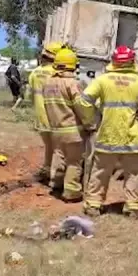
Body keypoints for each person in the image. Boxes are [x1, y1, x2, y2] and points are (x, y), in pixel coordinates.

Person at [76, 46, 138, 219]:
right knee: (134, 173)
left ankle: (94, 204)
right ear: (132, 61)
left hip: (107, 135)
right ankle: (132, 207)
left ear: (114, 61)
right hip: (132, 138)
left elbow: (84, 101)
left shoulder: (103, 80)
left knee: (101, 171)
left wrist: (92, 120)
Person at [41, 48, 94, 202]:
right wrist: (89, 124)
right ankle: (71, 192)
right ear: (72, 66)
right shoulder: (72, 84)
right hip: (73, 131)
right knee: (74, 162)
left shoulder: (47, 84)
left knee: (59, 156)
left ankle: (56, 183)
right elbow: (82, 107)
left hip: (56, 130)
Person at [26, 42, 66, 186]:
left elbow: (28, 96)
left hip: (40, 117)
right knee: (58, 149)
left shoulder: (35, 72)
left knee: (49, 146)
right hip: (56, 116)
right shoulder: (57, 73)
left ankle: (46, 170)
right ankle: (55, 179)